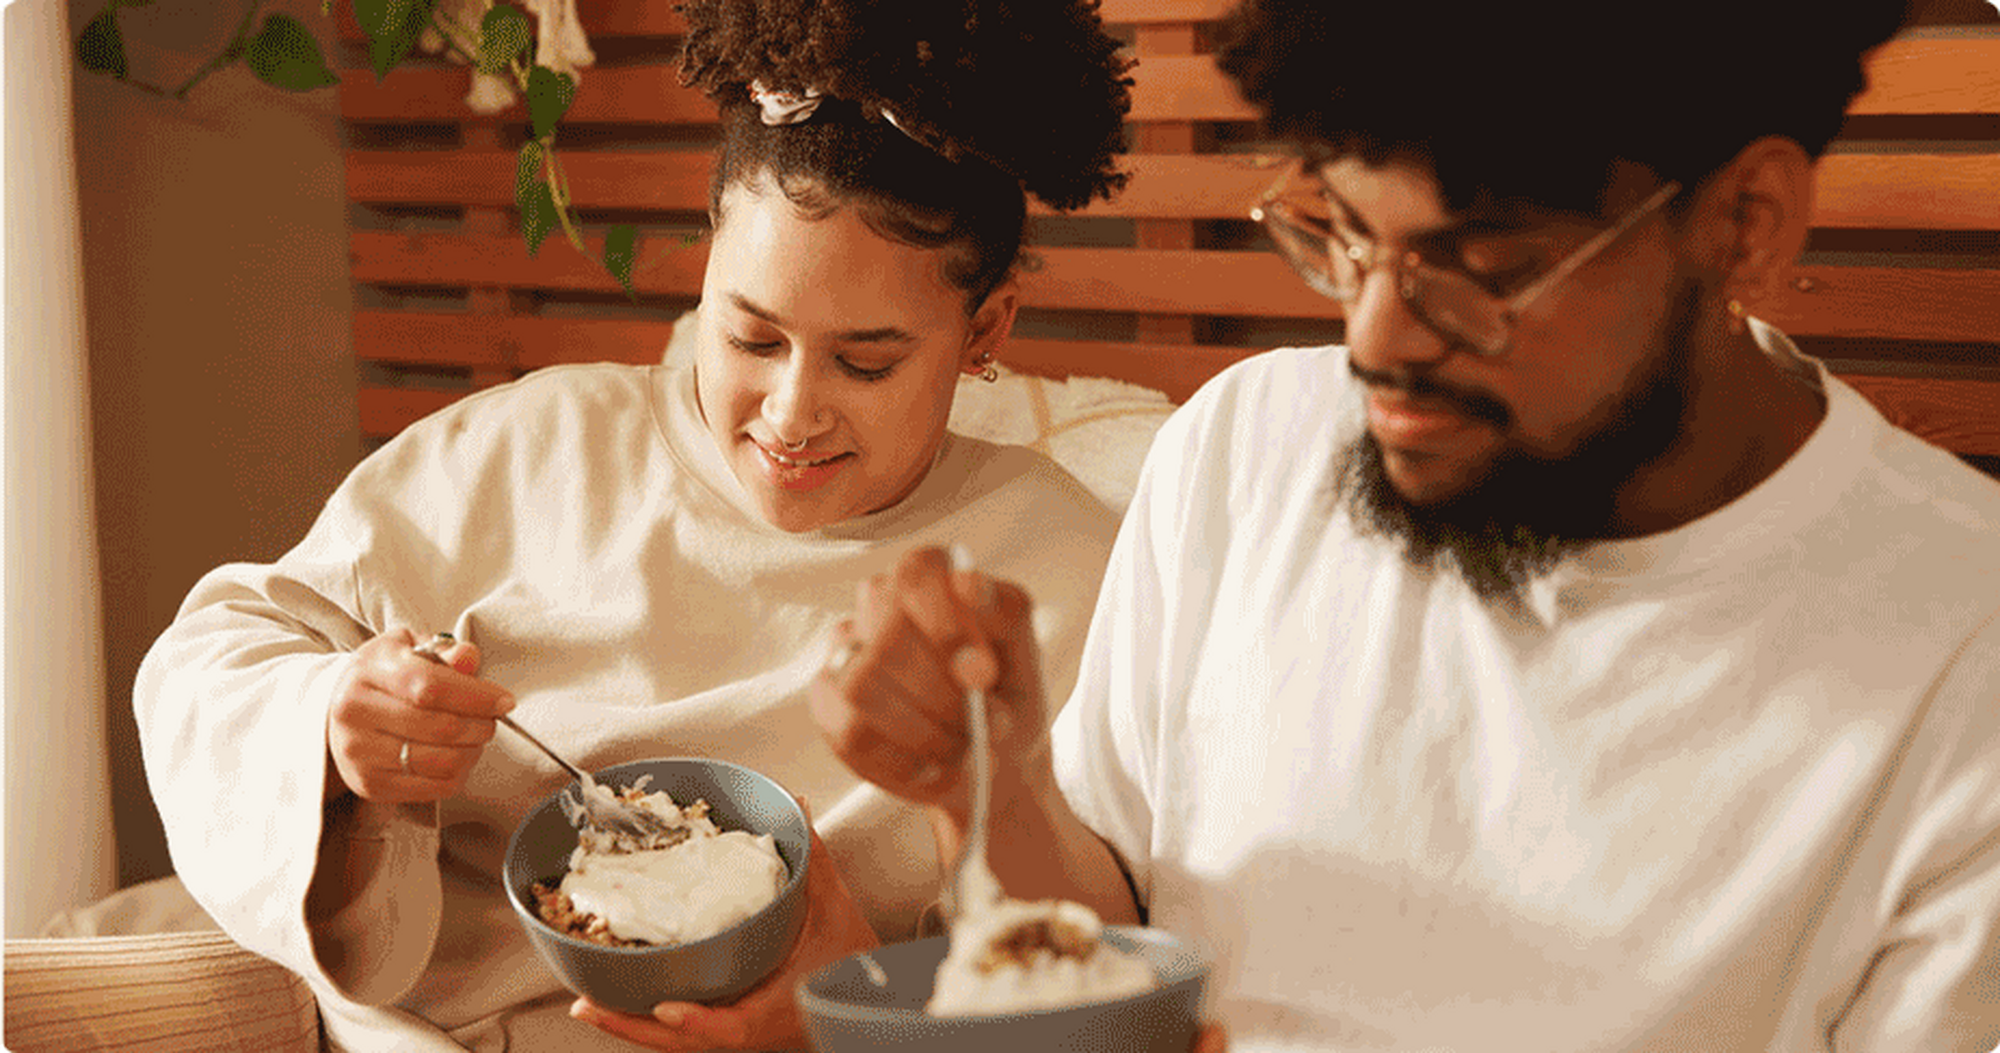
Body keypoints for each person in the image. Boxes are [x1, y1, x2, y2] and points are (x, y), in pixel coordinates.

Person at [811, 2, 2000, 1051]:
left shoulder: (1960, 656)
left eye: (1478, 264)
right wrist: (988, 788)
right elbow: (1101, 944)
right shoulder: (1247, 448)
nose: (1374, 341)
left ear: (1743, 222)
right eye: (1343, 234)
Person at [131, 1, 1135, 1049]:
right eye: (748, 335)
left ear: (985, 328)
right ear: (707, 254)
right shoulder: (530, 451)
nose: (789, 414)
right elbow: (212, 656)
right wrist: (337, 720)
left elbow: (1114, 977)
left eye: (865, 361)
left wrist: (847, 1014)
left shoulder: (1059, 575)